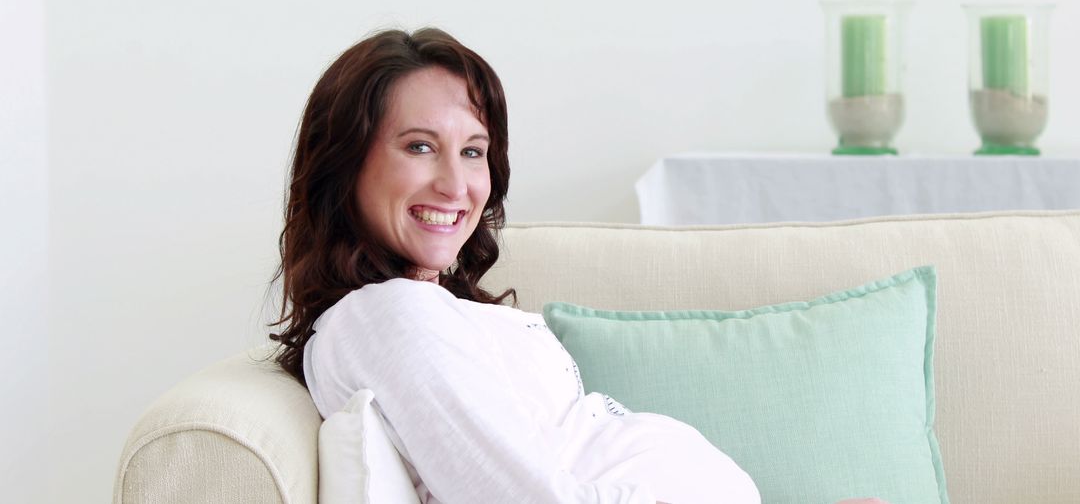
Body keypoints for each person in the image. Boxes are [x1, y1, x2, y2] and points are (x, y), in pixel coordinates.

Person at [269, 28, 884, 504]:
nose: (457, 184)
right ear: (344, 164)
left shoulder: (425, 308)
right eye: (420, 146)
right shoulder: (387, 316)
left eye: (474, 151)